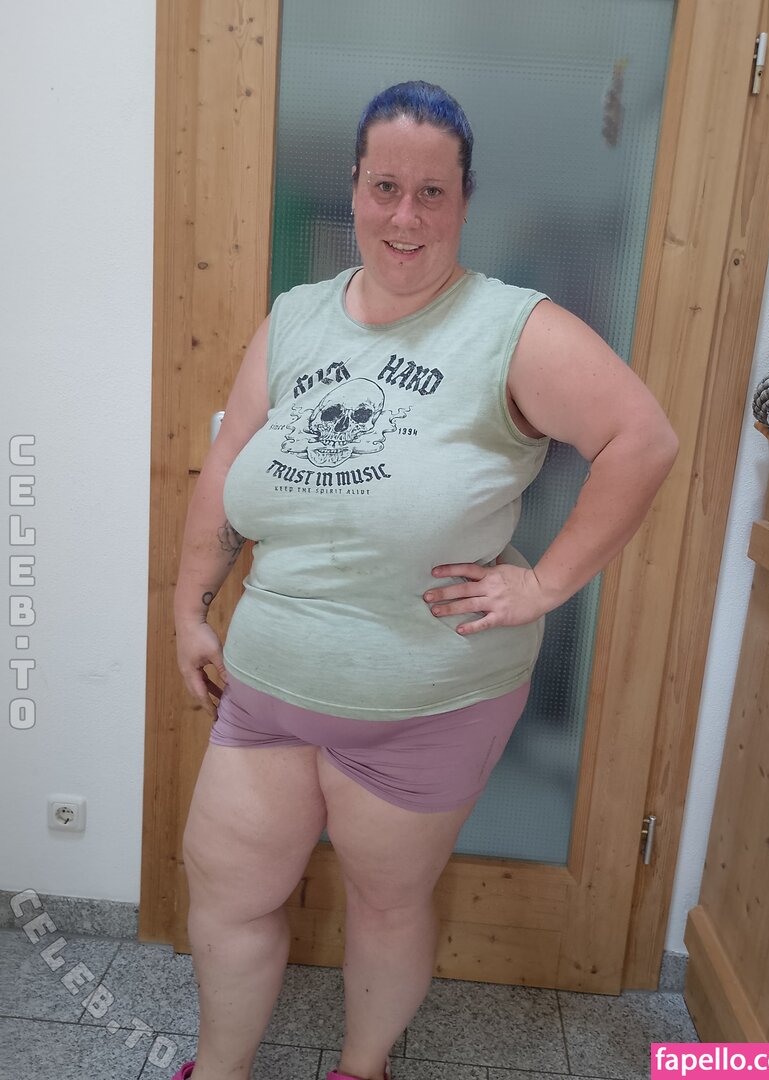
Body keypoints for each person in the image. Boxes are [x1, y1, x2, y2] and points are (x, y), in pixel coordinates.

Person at [171, 81, 679, 1080]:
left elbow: (642, 439)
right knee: (227, 895)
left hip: (425, 705)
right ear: (355, 188)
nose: (405, 216)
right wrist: (188, 608)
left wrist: (545, 585)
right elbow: (228, 466)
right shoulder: (296, 318)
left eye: (432, 193)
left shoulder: (510, 327)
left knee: (386, 904)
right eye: (385, 187)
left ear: (463, 200)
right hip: (266, 690)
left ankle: (361, 1068)